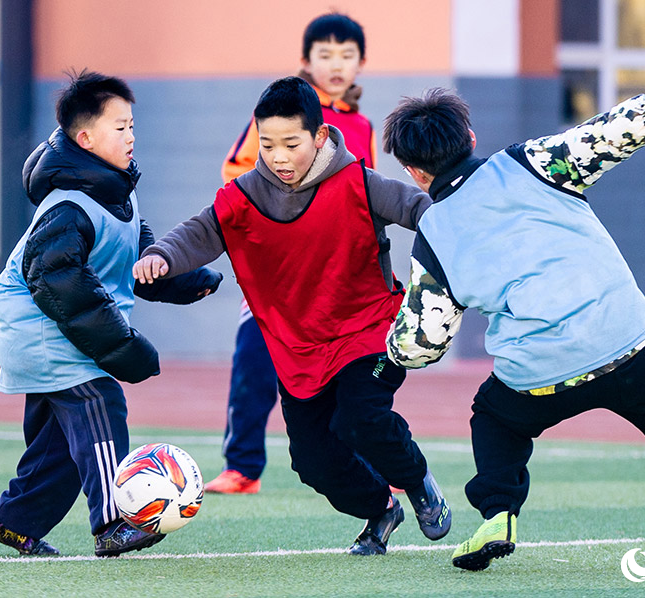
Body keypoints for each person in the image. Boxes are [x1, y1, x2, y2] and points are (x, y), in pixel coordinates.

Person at [382, 78, 645, 572]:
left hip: (536, 374)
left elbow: (423, 343)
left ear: (414, 173)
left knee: (494, 419)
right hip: (621, 346)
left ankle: (498, 514)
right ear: (471, 138)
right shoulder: (529, 163)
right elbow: (598, 138)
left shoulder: (432, 235)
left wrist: (391, 347)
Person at [134, 76, 450, 555]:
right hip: (298, 349)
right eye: (267, 144)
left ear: (319, 136)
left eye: (290, 144)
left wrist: (465, 232)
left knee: (360, 418)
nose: (278, 156)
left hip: (367, 330)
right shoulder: (242, 197)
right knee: (311, 461)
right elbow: (198, 232)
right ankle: (381, 509)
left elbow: (423, 211)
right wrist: (161, 255)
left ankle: (419, 482)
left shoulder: (360, 183)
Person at [0, 70, 222, 557]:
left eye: (132, 125)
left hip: (59, 329)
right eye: (120, 127)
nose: (131, 136)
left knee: (59, 444)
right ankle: (114, 522)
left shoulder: (116, 191)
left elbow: (138, 260)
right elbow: (60, 285)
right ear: (85, 139)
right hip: (43, 328)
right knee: (100, 403)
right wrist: (122, 346)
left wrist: (184, 280)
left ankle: (12, 521)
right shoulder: (68, 206)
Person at [208, 12, 377, 495]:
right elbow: (236, 173)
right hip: (277, 276)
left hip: (336, 281)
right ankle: (242, 468)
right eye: (325, 55)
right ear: (306, 60)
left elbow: (367, 192)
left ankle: (378, 465)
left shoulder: (361, 126)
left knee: (353, 377)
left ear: (361, 63)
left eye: (346, 55)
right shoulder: (281, 116)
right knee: (254, 367)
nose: (336, 64)